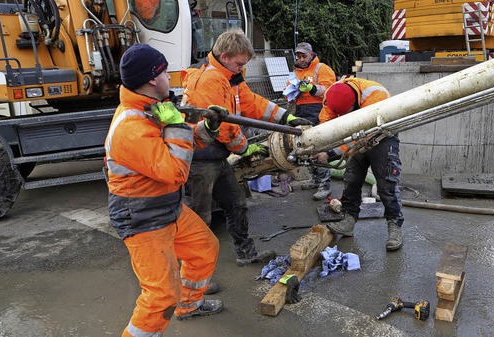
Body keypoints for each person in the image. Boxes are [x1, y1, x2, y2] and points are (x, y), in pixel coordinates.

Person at [105, 43, 228, 335]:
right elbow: (175, 172)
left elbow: (176, 149)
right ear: (152, 79)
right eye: (164, 72)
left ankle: (189, 305)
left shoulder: (151, 109)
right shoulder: (130, 128)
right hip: (142, 217)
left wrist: (205, 131)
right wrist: (177, 126)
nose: (170, 78)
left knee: (204, 249)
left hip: (165, 207)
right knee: (161, 296)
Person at [181, 29, 312, 266]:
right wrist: (243, 148)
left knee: (236, 204)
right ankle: (192, 272)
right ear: (224, 56)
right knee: (200, 218)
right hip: (200, 158)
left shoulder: (229, 77)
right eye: (239, 63)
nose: (242, 68)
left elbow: (253, 104)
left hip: (216, 157)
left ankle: (246, 253)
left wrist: (286, 119)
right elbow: (222, 126)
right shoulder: (210, 80)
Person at [318, 79, 405, 251]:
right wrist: (321, 145)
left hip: (381, 135)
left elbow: (365, 135)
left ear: (355, 103)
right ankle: (348, 220)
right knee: (351, 179)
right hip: (354, 135)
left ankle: (394, 225)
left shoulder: (376, 95)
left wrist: (330, 153)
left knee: (386, 182)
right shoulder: (331, 96)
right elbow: (325, 124)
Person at [288, 42, 336, 200]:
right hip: (301, 112)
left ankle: (325, 185)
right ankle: (316, 180)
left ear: (311, 55)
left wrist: (312, 88)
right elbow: (288, 90)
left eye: (304, 56)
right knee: (307, 147)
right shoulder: (296, 72)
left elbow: (330, 91)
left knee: (319, 147)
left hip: (319, 111)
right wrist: (291, 93)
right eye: (299, 56)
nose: (301, 59)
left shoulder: (321, 69)